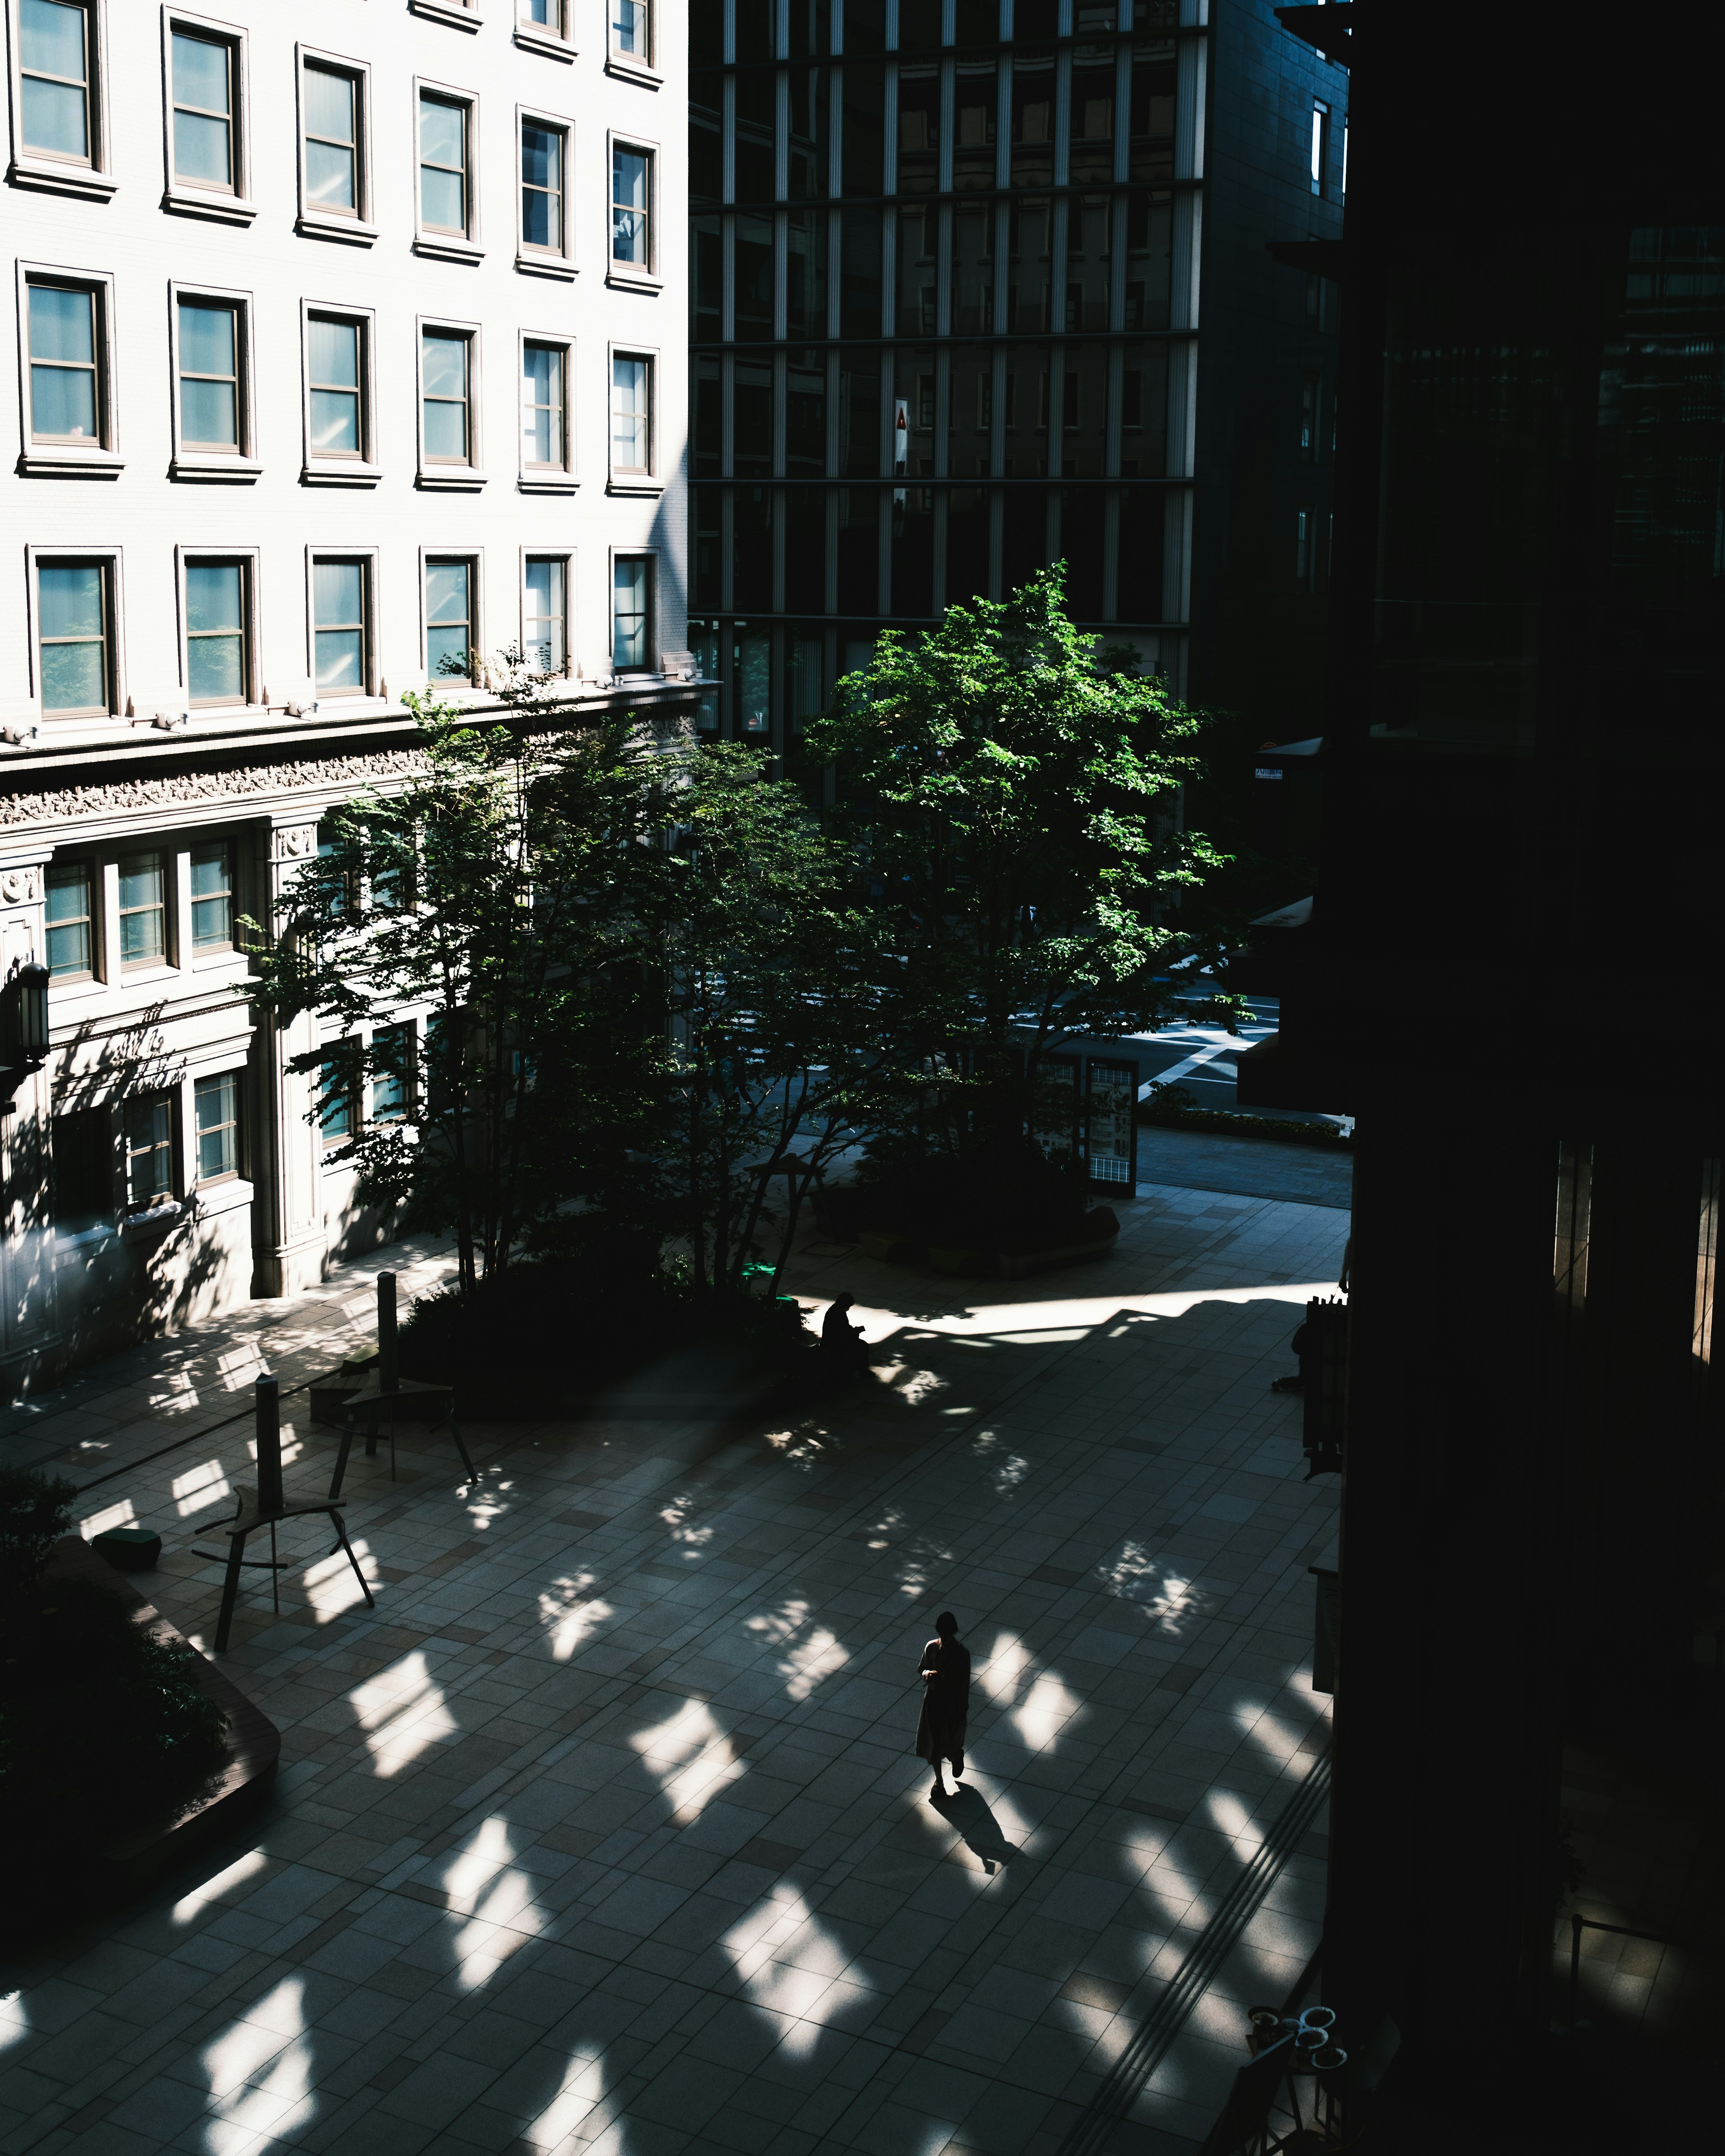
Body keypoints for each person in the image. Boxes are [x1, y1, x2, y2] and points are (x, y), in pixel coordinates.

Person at [916, 1611, 972, 1802]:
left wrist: (961, 1709)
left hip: (952, 1705)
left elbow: (964, 1685)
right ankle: (939, 1780)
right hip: (933, 1702)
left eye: (947, 1635)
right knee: (934, 1743)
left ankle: (956, 1757)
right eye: (941, 1635)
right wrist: (928, 1674)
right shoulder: (931, 1647)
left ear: (953, 1633)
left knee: (949, 1742)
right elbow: (922, 1668)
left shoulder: (962, 1655)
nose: (944, 1639)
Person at [821, 1291, 869, 1376]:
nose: (848, 1309)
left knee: (862, 1345)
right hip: (834, 1343)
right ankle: (857, 1370)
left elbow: (844, 1327)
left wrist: (853, 1330)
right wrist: (853, 1333)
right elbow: (838, 1333)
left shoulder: (839, 1311)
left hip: (839, 1339)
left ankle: (861, 1369)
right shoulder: (835, 1314)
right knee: (860, 1346)